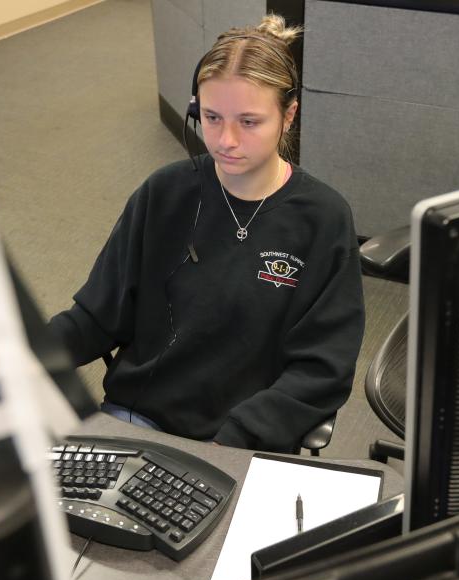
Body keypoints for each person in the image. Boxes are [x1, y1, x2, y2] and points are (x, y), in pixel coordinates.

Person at [49, 14, 365, 453]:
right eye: (212, 117)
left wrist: (235, 442)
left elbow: (322, 368)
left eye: (249, 122)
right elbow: (98, 316)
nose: (226, 140)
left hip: (241, 443)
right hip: (136, 420)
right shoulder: (165, 192)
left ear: (288, 115)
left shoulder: (322, 218)